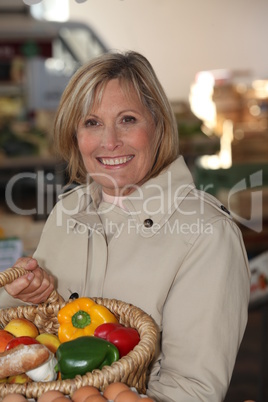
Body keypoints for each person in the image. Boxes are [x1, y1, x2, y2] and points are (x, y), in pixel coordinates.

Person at [0, 51, 250, 402]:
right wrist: (19, 293)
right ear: (75, 134)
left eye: (128, 119)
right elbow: (24, 332)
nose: (110, 141)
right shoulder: (66, 211)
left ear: (158, 125)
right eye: (92, 122)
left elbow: (192, 390)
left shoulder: (207, 234)